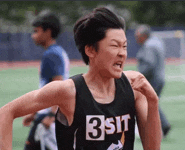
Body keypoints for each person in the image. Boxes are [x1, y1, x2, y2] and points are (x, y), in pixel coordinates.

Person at [0, 7, 161, 150]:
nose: (122, 53)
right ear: (91, 50)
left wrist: (153, 102)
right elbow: (7, 112)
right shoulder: (68, 92)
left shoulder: (133, 86)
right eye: (114, 45)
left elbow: (152, 148)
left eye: (124, 46)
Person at [22, 11, 70, 150]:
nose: (33, 36)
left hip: (47, 119)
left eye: (36, 31)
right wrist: (34, 113)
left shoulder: (51, 55)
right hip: (47, 115)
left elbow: (57, 85)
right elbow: (48, 88)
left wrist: (50, 115)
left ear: (47, 32)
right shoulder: (58, 51)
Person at [135, 24, 171, 138]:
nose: (136, 39)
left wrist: (139, 75)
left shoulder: (149, 46)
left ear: (144, 36)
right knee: (151, 103)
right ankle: (162, 126)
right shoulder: (156, 43)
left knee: (148, 103)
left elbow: (149, 64)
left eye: (138, 36)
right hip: (159, 78)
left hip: (153, 80)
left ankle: (161, 126)